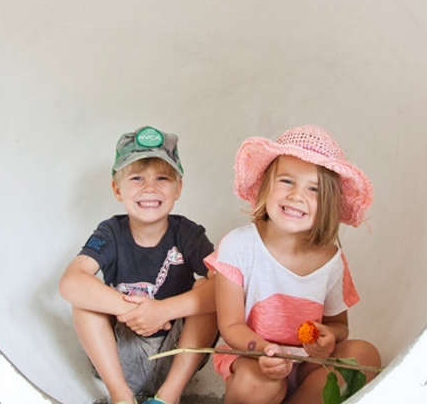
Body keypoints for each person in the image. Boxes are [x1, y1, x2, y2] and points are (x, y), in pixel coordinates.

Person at [205, 125, 382, 404]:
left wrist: (328, 337)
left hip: (304, 362)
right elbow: (231, 325)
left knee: (364, 355)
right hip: (252, 356)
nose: (297, 196)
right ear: (265, 185)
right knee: (257, 385)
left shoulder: (331, 260)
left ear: (328, 205)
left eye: (314, 189)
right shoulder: (238, 246)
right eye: (287, 181)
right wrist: (264, 351)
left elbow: (339, 325)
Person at [59, 126, 219, 404]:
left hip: (177, 354)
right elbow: (71, 282)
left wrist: (162, 311)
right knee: (84, 296)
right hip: (119, 357)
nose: (149, 188)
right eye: (136, 178)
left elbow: (227, 285)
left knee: (211, 286)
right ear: (116, 189)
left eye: (162, 178)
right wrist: (133, 310)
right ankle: (121, 397)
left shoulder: (188, 234)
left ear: (178, 188)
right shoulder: (110, 233)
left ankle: (167, 397)